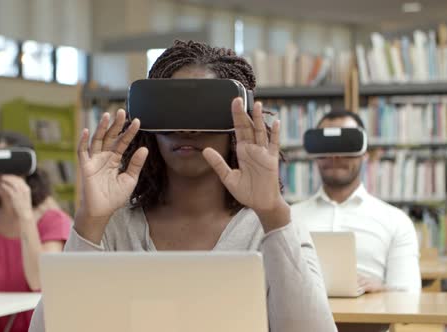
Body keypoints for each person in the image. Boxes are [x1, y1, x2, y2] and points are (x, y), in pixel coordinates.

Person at [29, 40, 336, 332]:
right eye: (173, 109)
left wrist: (272, 215)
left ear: (236, 121)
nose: (187, 128)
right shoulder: (113, 226)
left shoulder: (272, 225)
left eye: (204, 110)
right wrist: (89, 222)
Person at [0, 131, 72, 332]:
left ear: (27, 170)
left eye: (12, 166)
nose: (3, 174)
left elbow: (38, 281)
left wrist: (25, 215)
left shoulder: (53, 221)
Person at [291, 110, 421, 294]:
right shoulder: (288, 219)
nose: (335, 156)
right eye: (327, 146)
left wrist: (382, 290)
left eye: (346, 145)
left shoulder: (396, 222)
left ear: (365, 153)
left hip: (371, 319)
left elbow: (410, 296)